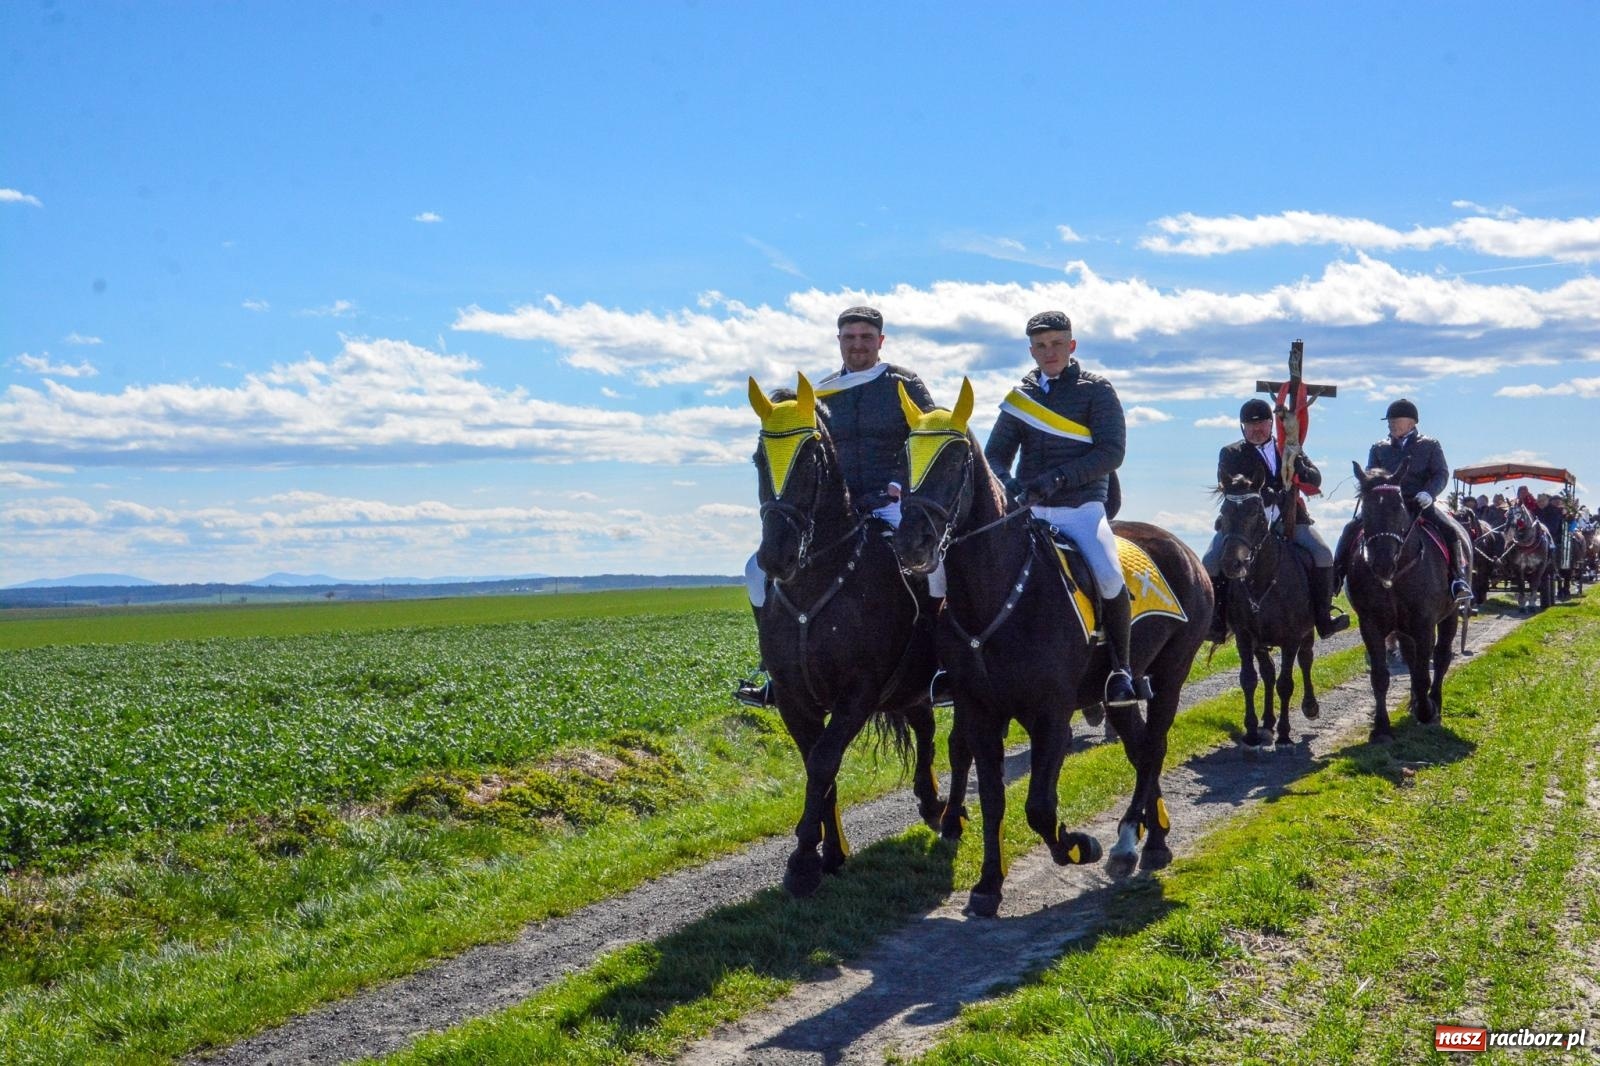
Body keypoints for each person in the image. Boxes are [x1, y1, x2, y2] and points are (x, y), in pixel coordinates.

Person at [736, 306, 942, 707]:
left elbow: (925, 436)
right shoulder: (820, 393)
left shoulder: (905, 384)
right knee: (755, 571)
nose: (858, 345)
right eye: (850, 337)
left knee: (936, 568)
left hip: (891, 502)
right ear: (839, 341)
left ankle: (940, 665)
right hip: (839, 510)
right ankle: (775, 669)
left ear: (881, 341)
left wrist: (900, 483)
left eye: (866, 337)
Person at [983, 310, 1138, 708]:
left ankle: (1121, 669)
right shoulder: (1022, 397)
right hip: (1029, 510)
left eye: (1056, 344)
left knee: (1107, 574)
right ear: (1031, 351)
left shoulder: (1097, 390)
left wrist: (1060, 478)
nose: (1049, 352)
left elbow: (1111, 452)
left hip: (1080, 506)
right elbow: (995, 455)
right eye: (1040, 346)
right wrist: (1010, 483)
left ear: (1071, 346)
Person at [1202, 397, 1349, 643]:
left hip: (1288, 515)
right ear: (1242, 428)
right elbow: (1229, 484)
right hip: (1244, 522)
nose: (1256, 430)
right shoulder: (1230, 453)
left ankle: (1323, 618)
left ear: (1272, 424)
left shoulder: (1288, 446)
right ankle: (1217, 621)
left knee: (1323, 554)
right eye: (1250, 426)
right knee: (1210, 560)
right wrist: (1262, 493)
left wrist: (1300, 465)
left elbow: (1315, 479)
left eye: (1261, 425)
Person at [1334, 398, 1472, 603]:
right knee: (1350, 528)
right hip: (1385, 506)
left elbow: (1441, 474)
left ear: (1412, 422)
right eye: (1389, 420)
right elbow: (1372, 476)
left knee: (1450, 530)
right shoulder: (1379, 448)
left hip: (1418, 503)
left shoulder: (1430, 445)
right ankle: (1336, 578)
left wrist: (1429, 493)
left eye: (1396, 420)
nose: (1391, 423)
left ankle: (1458, 580)